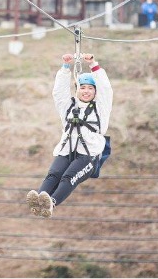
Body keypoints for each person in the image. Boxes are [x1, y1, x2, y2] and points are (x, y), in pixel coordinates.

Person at [26, 52, 113, 218]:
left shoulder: (100, 109)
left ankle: (51, 202)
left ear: (95, 92)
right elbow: (58, 93)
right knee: (53, 175)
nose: (86, 91)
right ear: (77, 89)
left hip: (88, 155)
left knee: (67, 177)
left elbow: (106, 90)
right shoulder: (69, 106)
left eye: (90, 88)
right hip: (67, 150)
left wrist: (94, 65)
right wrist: (65, 68)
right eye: (82, 87)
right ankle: (39, 200)